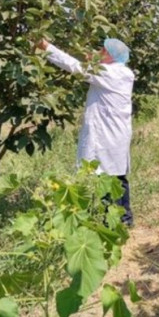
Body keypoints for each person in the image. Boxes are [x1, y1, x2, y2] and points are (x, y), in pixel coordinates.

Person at [37, 38, 135, 227]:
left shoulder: (108, 73)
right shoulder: (121, 73)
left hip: (107, 136)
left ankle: (116, 222)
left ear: (109, 55)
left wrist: (47, 47)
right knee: (116, 177)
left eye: (102, 49)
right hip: (115, 134)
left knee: (108, 179)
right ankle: (123, 219)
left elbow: (73, 66)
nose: (97, 51)